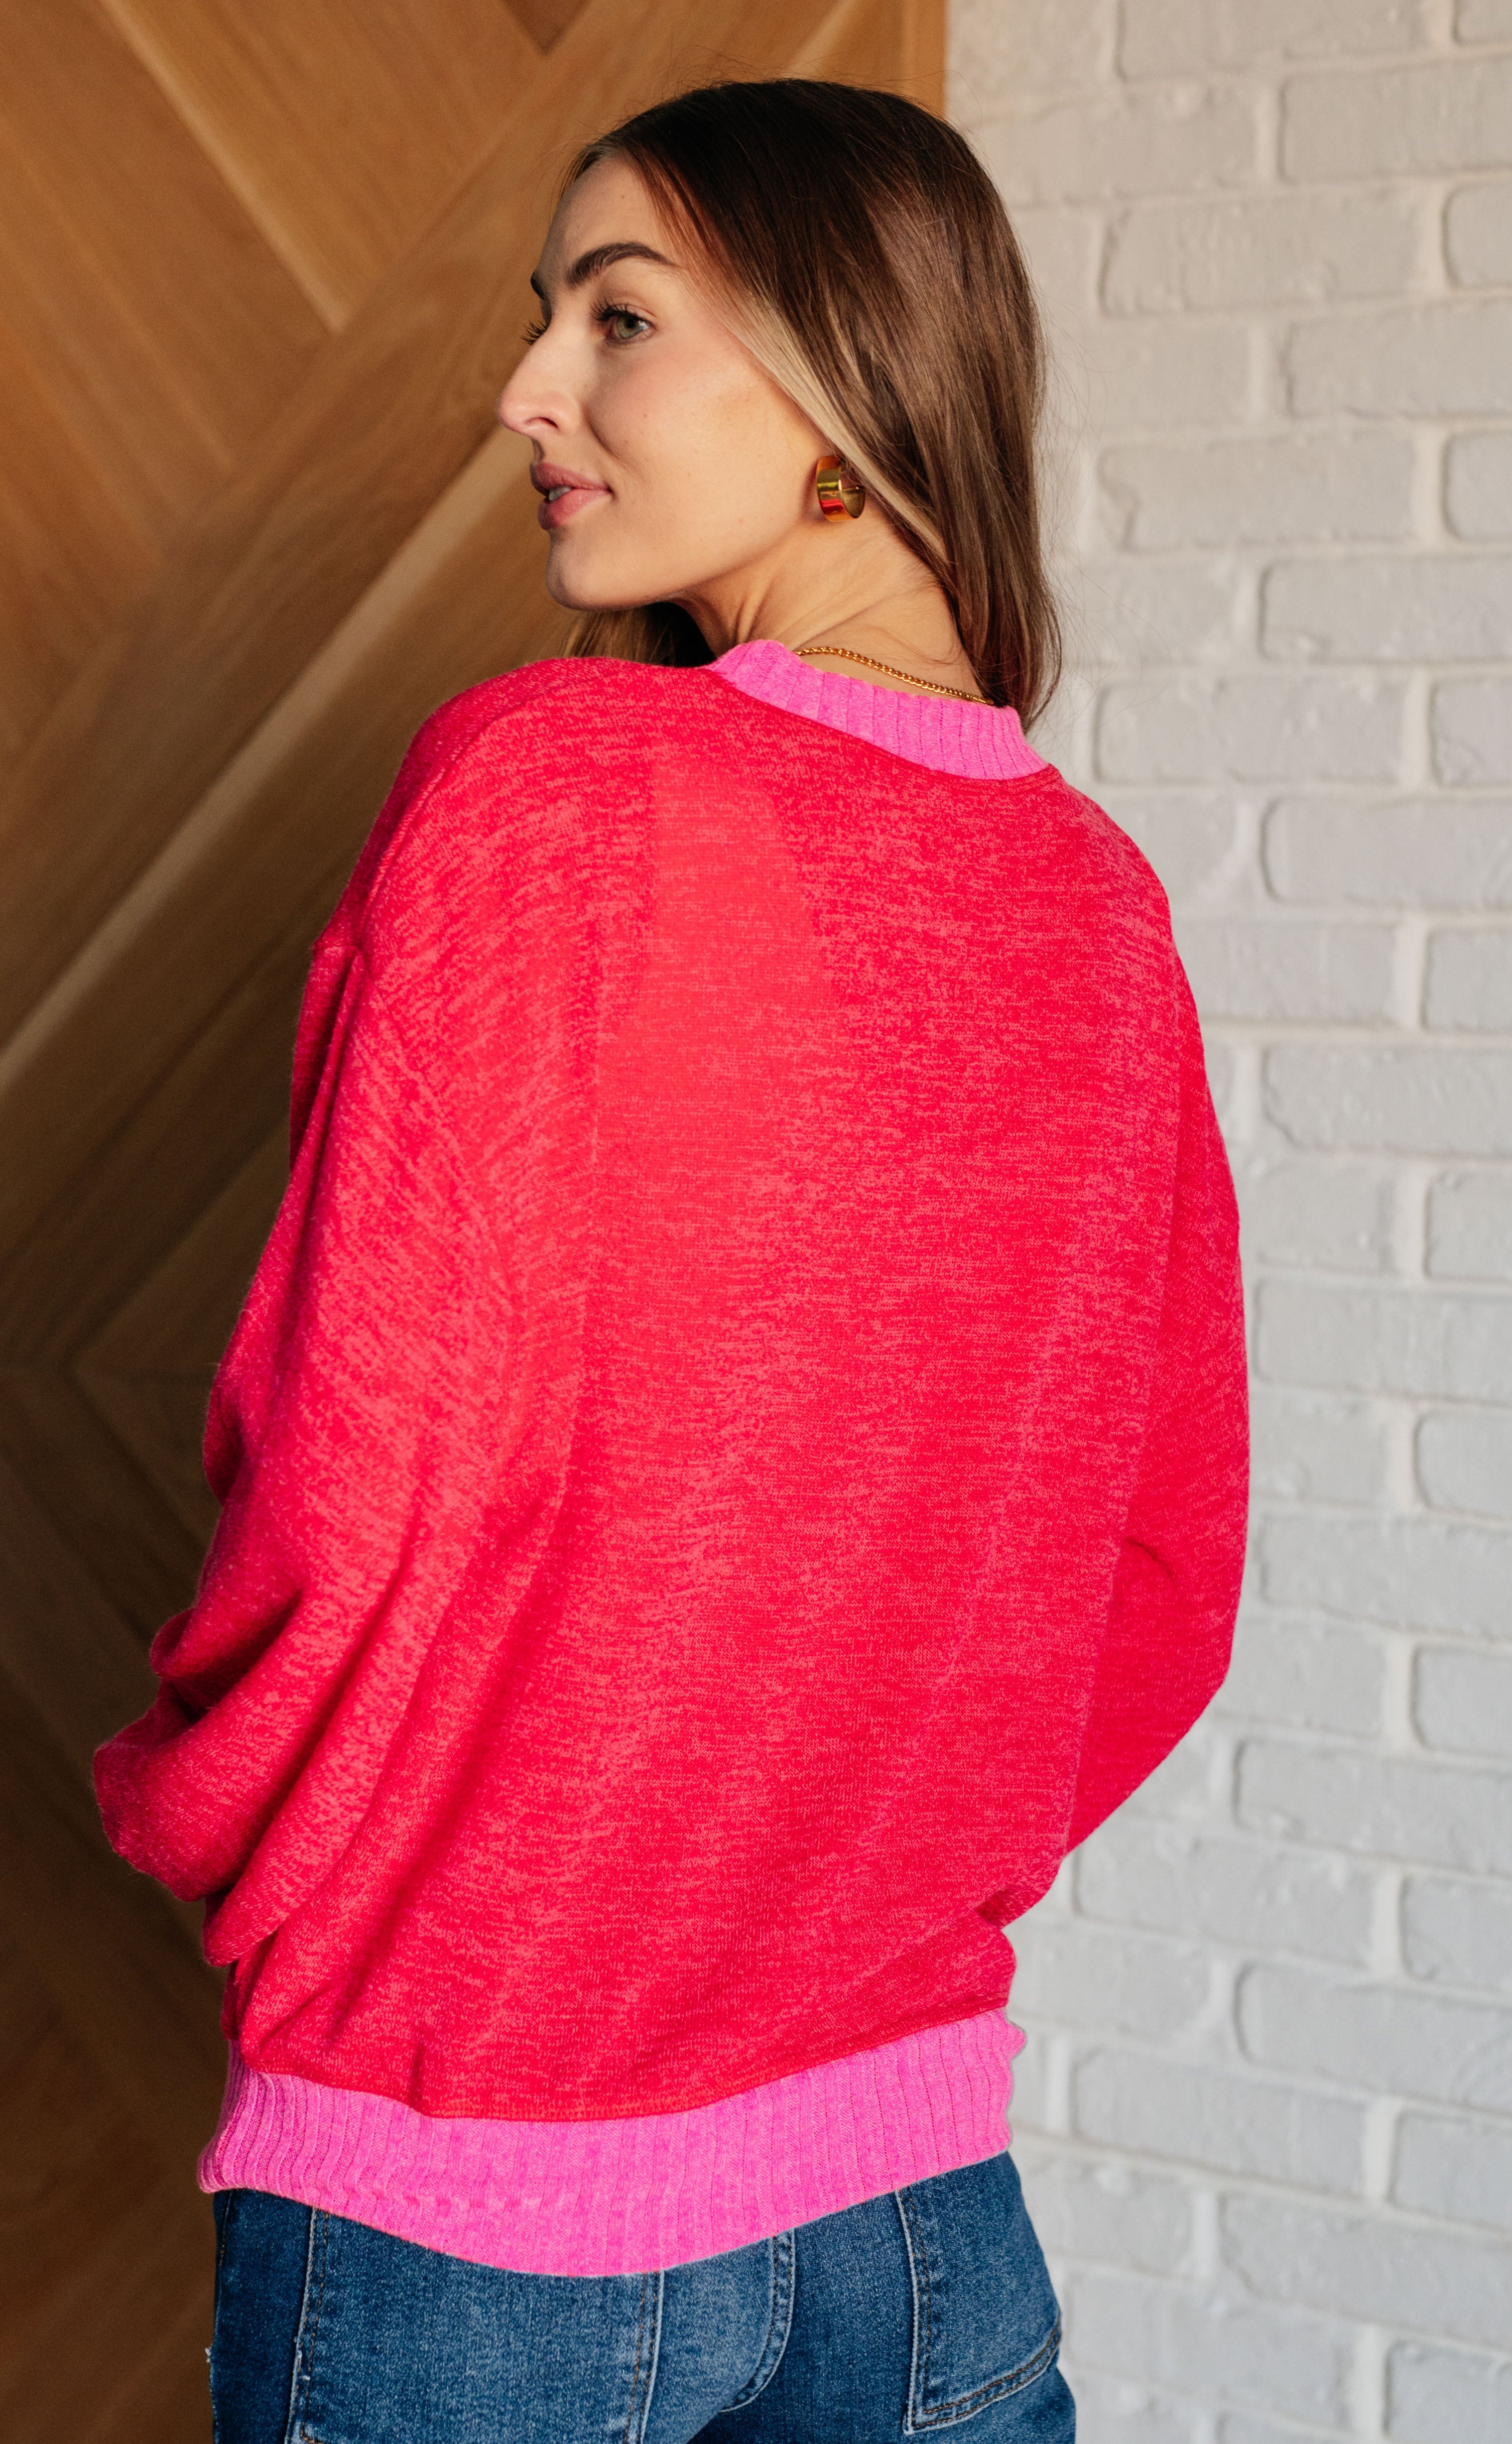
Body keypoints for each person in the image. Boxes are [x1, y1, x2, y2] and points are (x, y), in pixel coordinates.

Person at [95, 77, 1248, 2443]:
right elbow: (1159, 1571)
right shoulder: (1101, 904)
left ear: (846, 364)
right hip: (923, 2227)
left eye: (617, 317)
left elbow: (349, 1480)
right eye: (547, 317)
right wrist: (847, 1869)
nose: (526, 390)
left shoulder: (552, 793)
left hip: (471, 2210)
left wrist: (227, 1838)